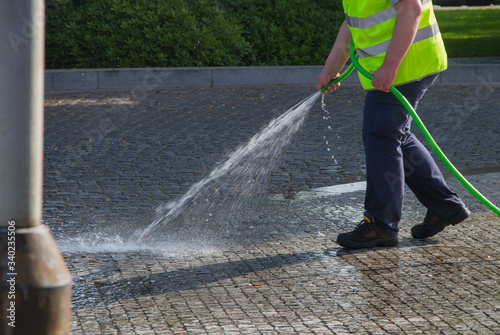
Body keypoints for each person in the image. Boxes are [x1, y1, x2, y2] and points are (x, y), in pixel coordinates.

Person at [316, 0, 470, 249]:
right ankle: (445, 206)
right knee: (394, 134)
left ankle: (381, 225)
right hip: (408, 65)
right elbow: (352, 25)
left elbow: (411, 10)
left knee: (380, 133)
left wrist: (389, 67)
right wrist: (330, 70)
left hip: (406, 66)